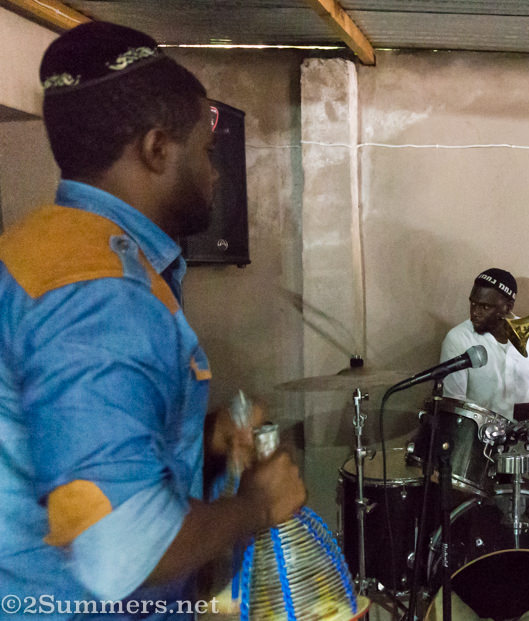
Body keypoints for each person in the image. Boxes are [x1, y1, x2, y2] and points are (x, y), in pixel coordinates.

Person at [0, 22, 306, 618]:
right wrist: (257, 505)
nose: (215, 173)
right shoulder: (100, 293)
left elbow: (60, 442)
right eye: (206, 152)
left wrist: (202, 440)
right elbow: (122, 550)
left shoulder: (37, 251)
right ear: (158, 149)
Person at [440, 268, 529, 421]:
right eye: (473, 303)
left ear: (508, 307)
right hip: (478, 433)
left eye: (485, 307)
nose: (475, 312)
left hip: (527, 433)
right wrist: (509, 412)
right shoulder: (458, 338)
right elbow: (454, 401)